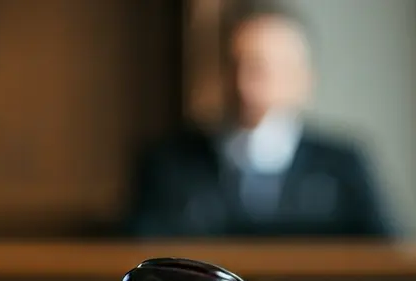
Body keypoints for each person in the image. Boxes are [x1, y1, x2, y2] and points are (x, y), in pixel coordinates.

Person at [125, 5, 397, 239]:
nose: (245, 83)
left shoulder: (341, 166)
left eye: (261, 69)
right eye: (235, 65)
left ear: (304, 78)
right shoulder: (168, 163)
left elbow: (388, 259)